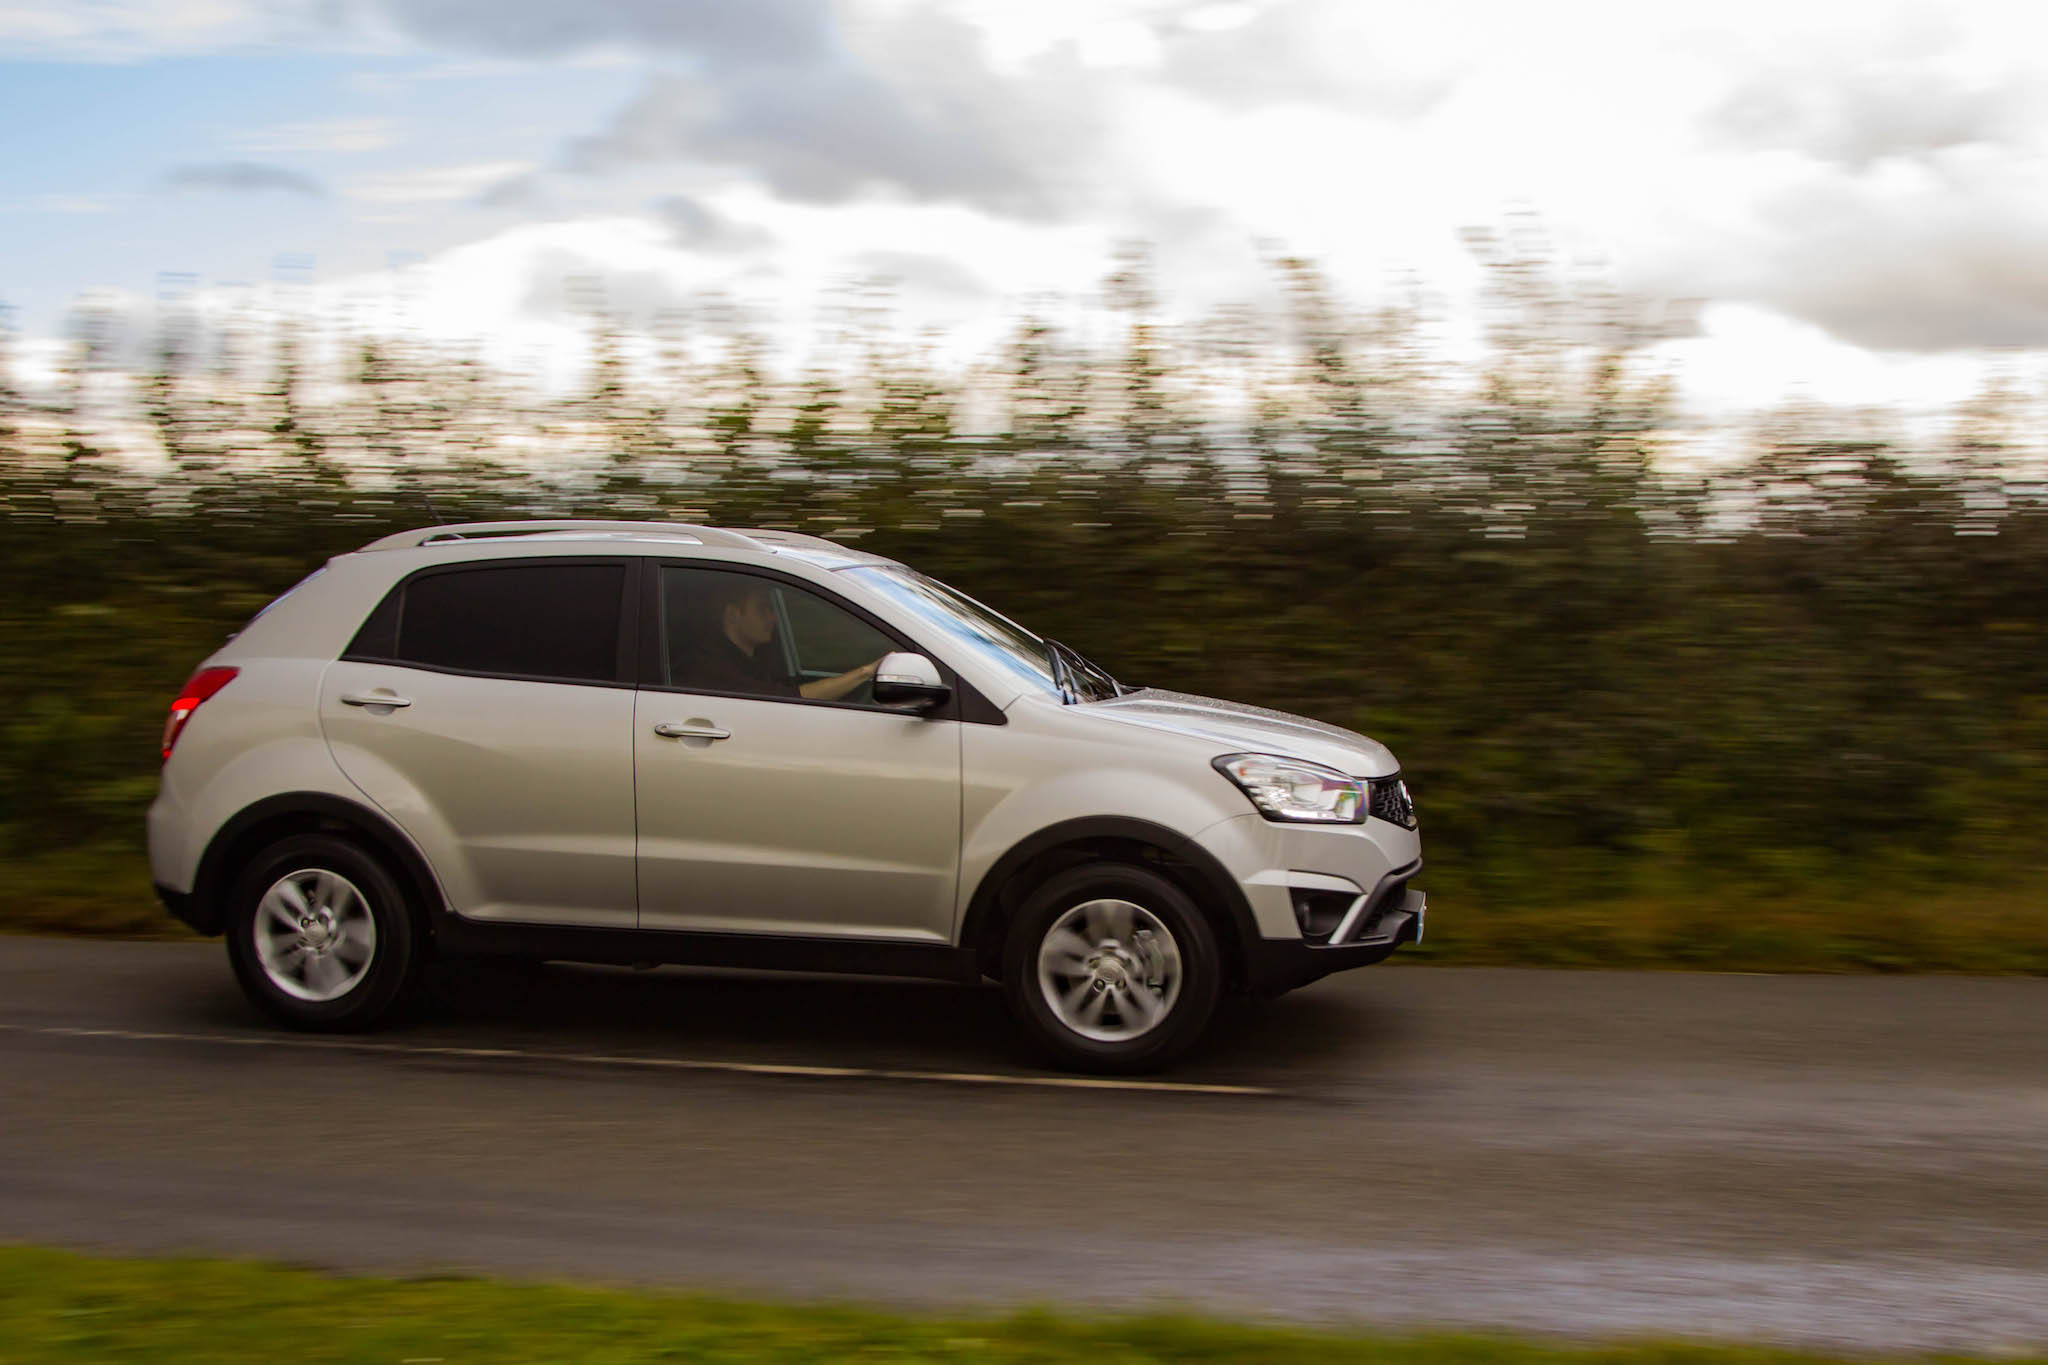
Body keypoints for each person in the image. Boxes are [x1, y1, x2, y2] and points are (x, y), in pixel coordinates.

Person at [683, 578, 880, 702]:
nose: (773, 618)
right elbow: (792, 699)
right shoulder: (712, 669)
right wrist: (866, 672)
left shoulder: (753, 661)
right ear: (733, 614)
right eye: (763, 609)